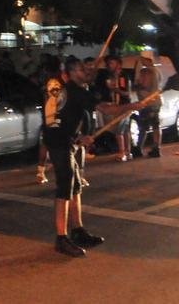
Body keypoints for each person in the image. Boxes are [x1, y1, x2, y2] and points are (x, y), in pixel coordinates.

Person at [43, 56, 104, 258]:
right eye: (79, 69)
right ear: (68, 74)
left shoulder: (74, 90)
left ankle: (77, 230)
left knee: (75, 185)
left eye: (84, 69)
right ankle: (61, 238)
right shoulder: (68, 90)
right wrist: (131, 107)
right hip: (58, 142)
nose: (84, 72)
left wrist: (79, 137)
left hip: (66, 141)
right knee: (65, 188)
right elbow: (53, 121)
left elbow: (70, 118)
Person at [97, 54, 132, 161]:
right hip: (118, 105)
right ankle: (127, 151)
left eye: (111, 63)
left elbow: (126, 93)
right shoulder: (111, 76)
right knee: (124, 129)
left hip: (123, 106)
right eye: (108, 64)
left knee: (119, 130)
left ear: (118, 64)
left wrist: (114, 89)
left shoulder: (122, 76)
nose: (109, 65)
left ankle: (123, 152)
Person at [35, 56, 63, 184]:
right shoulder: (55, 82)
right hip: (54, 117)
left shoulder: (46, 81)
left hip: (48, 117)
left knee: (46, 143)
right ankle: (43, 170)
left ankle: (41, 170)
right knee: (54, 144)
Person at [133, 57, 162, 158]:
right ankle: (156, 147)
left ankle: (139, 147)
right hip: (155, 101)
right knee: (155, 126)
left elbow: (145, 85)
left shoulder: (147, 72)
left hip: (147, 102)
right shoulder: (157, 71)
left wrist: (136, 85)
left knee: (144, 126)